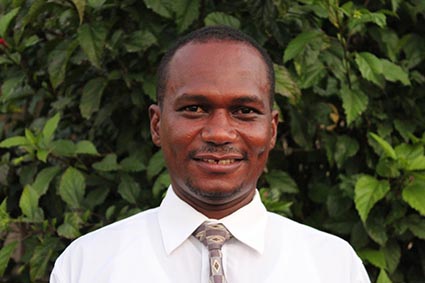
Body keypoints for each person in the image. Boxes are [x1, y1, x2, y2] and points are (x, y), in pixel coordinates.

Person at [50, 26, 371, 283]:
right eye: (194, 109)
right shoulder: (87, 265)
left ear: (271, 129)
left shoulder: (333, 266)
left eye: (244, 111)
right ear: (157, 124)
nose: (219, 133)